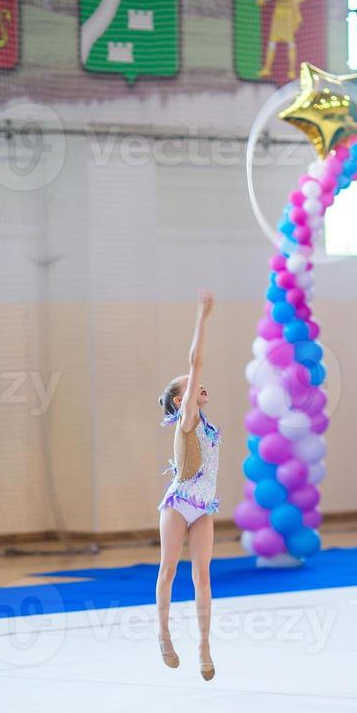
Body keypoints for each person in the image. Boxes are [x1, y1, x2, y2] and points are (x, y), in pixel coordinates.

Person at [156, 291, 220, 681]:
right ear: (182, 400)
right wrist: (202, 316)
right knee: (169, 569)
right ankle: (163, 632)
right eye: (193, 385)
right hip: (179, 503)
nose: (200, 383)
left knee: (203, 576)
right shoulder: (188, 420)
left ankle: (204, 645)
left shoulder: (206, 424)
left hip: (204, 508)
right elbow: (194, 361)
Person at [249, 0, 313, 81]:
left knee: (290, 42)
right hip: (278, 12)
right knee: (272, 41)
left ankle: (291, 71)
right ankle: (267, 68)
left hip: (288, 13)